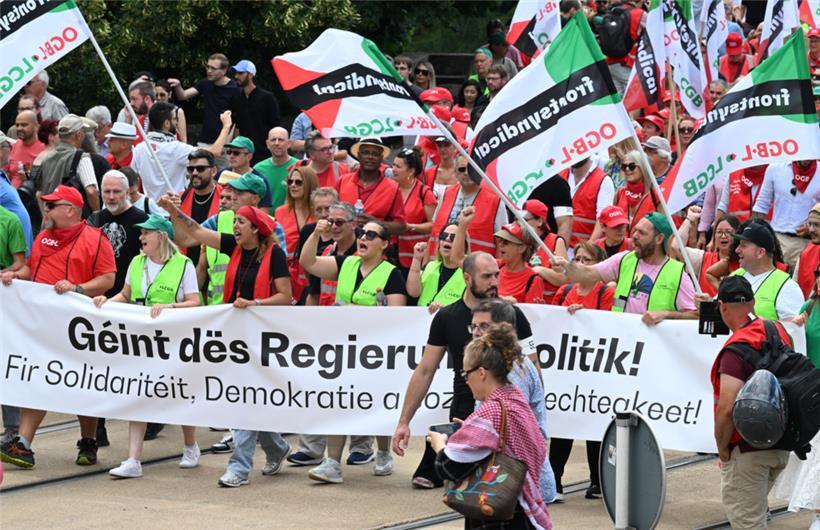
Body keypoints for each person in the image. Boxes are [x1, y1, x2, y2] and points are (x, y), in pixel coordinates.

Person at [160, 203, 292, 487]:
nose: (235, 226)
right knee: (247, 398)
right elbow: (196, 231)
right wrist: (173, 210)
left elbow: (285, 295)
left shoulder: (275, 254)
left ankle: (239, 468)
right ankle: (276, 448)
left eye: (241, 222)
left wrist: (255, 303)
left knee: (245, 400)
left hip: (262, 337)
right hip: (235, 335)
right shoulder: (233, 246)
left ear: (255, 229)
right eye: (235, 222)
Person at [392, 252, 539, 489]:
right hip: (464, 410)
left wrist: (532, 419)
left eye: (496, 275)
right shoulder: (447, 317)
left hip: (504, 415)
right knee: (439, 478)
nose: (494, 282)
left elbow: (532, 366)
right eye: (487, 276)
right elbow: (425, 370)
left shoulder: (513, 314)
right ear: (467, 278)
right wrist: (404, 422)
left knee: (500, 488)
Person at [0, 185, 115, 469]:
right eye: (46, 205)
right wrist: (15, 275)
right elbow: (31, 269)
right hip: (42, 324)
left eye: (52, 205)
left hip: (79, 328)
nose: (46, 210)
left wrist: (78, 288)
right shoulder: (43, 237)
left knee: (82, 384)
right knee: (38, 378)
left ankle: (88, 441)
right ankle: (23, 444)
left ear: (71, 210)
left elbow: (108, 278)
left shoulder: (95, 239)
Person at [92, 215, 200, 478]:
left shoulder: (183, 264)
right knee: (138, 394)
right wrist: (106, 302)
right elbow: (126, 294)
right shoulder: (137, 262)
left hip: (173, 340)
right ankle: (133, 460)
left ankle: (190, 445)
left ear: (161, 236)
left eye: (146, 233)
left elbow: (194, 302)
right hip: (140, 339)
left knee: (178, 393)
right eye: (141, 233)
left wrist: (169, 307)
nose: (141, 238)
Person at [300, 220, 406, 482]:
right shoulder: (347, 263)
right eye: (362, 233)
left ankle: (383, 452)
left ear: (384, 244)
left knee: (377, 403)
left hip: (376, 352)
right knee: (339, 401)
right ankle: (332, 463)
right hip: (344, 348)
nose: (363, 238)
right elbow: (308, 262)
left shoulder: (392, 274)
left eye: (371, 234)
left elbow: (397, 316)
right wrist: (316, 234)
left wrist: (354, 311)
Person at [429, 323, 551, 530]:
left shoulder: (490, 412)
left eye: (466, 374)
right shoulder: (515, 399)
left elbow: (447, 467)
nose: (466, 381)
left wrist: (439, 444)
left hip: (498, 515)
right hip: (523, 510)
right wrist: (470, 430)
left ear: (482, 373)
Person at [710, 275, 791, 529]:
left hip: (747, 451)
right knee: (755, 517)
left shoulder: (735, 350)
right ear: (753, 302)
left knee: (748, 523)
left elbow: (726, 408)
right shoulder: (777, 330)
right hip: (781, 444)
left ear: (722, 306)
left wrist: (722, 448)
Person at [468, 299, 557, 506]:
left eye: (484, 326)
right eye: (473, 326)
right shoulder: (495, 363)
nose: (476, 333)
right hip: (509, 483)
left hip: (519, 484)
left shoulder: (512, 369)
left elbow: (511, 426)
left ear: (503, 329)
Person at [549, 242, 613, 501]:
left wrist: (586, 317)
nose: (582, 264)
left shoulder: (605, 291)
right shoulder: (564, 291)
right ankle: (553, 481)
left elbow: (609, 324)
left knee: (594, 426)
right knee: (563, 425)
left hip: (595, 369)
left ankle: (598, 481)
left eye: (588, 260)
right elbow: (551, 321)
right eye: (579, 259)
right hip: (568, 368)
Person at [552, 212, 697, 325]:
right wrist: (565, 265)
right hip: (621, 340)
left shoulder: (677, 274)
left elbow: (695, 316)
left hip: (651, 347)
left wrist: (665, 314)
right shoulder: (625, 259)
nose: (634, 236)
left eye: (641, 233)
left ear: (659, 239)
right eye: (635, 231)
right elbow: (587, 273)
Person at [773, 262, 820, 530]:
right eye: (819, 275)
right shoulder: (809, 306)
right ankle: (818, 513)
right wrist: (795, 323)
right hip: (813, 390)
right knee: (814, 455)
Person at [131, 102, 232, 200]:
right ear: (166, 123)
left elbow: (131, 177)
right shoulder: (177, 149)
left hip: (150, 207)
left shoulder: (139, 148)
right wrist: (226, 126)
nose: (177, 123)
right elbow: (215, 152)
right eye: (175, 119)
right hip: (174, 207)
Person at [429, 153, 505, 256]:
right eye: (462, 169)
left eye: (471, 169)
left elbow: (501, 243)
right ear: (455, 172)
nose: (466, 173)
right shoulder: (446, 193)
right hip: (441, 262)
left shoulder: (495, 200)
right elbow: (434, 233)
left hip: (475, 264)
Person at [728, 223, 804, 320]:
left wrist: (764, 324)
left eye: (744, 245)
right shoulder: (735, 275)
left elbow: (795, 326)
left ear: (760, 252)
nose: (737, 250)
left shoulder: (787, 286)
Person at [753, 160, 820, 269]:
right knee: (772, 279)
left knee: (801, 280)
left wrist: (812, 227)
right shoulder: (775, 168)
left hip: (806, 242)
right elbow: (761, 205)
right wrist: (756, 237)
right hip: (776, 239)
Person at [337, 138, 406, 235]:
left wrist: (376, 223)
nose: (370, 157)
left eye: (375, 154)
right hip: (345, 241)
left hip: (376, 242)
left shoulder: (393, 188)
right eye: (366, 152)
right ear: (358, 155)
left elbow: (401, 226)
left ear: (381, 158)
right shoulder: (342, 181)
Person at [0, 204, 28, 444]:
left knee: (5, 360)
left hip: (4, 299)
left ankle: (12, 427)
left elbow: (20, 263)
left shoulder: (9, 220)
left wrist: (5, 272)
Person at [168, 53, 239, 145]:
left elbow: (238, 119)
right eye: (208, 67)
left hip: (224, 141)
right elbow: (183, 96)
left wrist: (229, 141)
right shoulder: (205, 83)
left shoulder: (234, 89)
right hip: (204, 139)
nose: (209, 71)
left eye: (213, 68)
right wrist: (178, 85)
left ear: (224, 71)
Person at [37, 114, 102, 214]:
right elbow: (91, 191)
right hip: (70, 217)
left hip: (49, 217)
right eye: (83, 132)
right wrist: (97, 215)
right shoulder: (81, 158)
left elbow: (39, 193)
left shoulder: (46, 158)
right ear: (78, 134)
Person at [672, 212, 740, 297]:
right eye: (719, 232)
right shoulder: (702, 258)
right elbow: (677, 247)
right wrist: (689, 219)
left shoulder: (744, 263)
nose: (723, 236)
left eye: (728, 232)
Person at [275, 165, 317, 301]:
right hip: (286, 276)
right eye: (290, 182)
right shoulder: (280, 212)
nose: (293, 185)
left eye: (298, 182)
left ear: (309, 184)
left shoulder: (319, 213)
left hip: (312, 275)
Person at [395, 147, 437, 277]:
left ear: (411, 171)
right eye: (393, 165)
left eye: (398, 166)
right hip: (391, 253)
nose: (393, 169)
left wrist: (410, 226)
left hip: (415, 256)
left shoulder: (424, 193)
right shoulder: (391, 188)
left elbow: (434, 226)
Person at [407, 219, 466, 309]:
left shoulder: (468, 273)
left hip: (449, 317)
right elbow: (413, 292)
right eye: (444, 235)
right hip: (423, 316)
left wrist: (447, 310)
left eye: (453, 237)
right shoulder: (430, 266)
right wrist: (417, 259)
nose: (447, 239)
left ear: (463, 245)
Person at [178, 149, 222, 268]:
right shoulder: (180, 198)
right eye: (191, 169)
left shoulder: (225, 198)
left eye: (200, 169)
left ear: (213, 171)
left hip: (214, 268)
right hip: (186, 266)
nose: (195, 173)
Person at [230, 60, 280, 164]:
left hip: (264, 153)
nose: (236, 76)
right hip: (244, 152)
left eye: (240, 73)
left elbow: (275, 126)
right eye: (236, 73)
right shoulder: (237, 97)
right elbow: (237, 126)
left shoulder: (267, 97)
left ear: (251, 75)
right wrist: (236, 148)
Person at [561, 157, 615, 247]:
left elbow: (602, 219)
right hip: (558, 246)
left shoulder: (603, 181)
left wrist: (586, 249)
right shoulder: (561, 174)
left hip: (585, 248)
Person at [493, 222, 547, 304]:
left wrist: (515, 304)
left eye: (506, 242)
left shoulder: (533, 281)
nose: (500, 245)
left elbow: (531, 311)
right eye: (500, 241)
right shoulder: (494, 267)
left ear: (521, 248)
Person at [253, 127, 298, 210]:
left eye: (281, 140)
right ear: (267, 144)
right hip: (264, 217)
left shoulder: (299, 166)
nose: (276, 143)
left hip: (290, 216)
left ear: (289, 143)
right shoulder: (258, 169)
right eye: (273, 140)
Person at [614, 150, 658, 232]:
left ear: (643, 167)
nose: (627, 169)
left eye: (632, 166)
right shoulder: (620, 193)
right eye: (624, 166)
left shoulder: (655, 195)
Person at [8, 110, 44, 188]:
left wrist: (29, 178)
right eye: (17, 125)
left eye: (24, 125)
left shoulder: (44, 148)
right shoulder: (14, 145)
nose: (19, 128)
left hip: (33, 194)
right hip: (12, 193)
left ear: (36, 125)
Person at [794, 203, 820, 299]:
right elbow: (794, 287)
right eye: (810, 224)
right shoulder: (806, 253)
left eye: (817, 225)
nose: (811, 230)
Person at [154, 79, 188, 144]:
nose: (158, 98)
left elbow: (184, 140)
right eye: (156, 95)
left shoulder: (178, 112)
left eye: (162, 95)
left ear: (169, 94)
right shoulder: (152, 111)